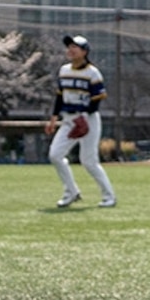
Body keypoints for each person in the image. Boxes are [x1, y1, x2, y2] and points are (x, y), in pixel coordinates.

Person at [46, 36, 114, 211]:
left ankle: (109, 196)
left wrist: (84, 116)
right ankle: (71, 191)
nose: (70, 50)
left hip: (88, 119)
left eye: (75, 47)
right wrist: (53, 118)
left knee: (88, 161)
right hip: (69, 119)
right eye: (69, 46)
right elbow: (60, 96)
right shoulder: (64, 70)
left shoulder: (92, 72)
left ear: (84, 52)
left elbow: (97, 99)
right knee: (55, 155)